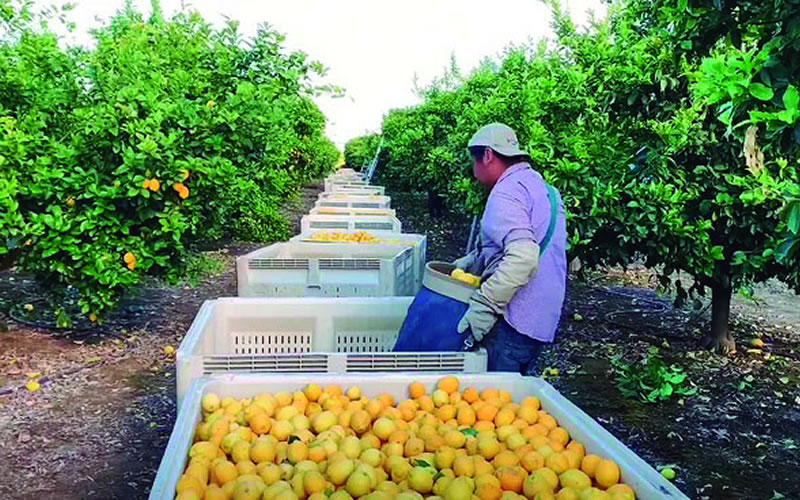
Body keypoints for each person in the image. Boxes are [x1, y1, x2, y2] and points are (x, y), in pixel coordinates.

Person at [454, 123, 567, 374]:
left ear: (488, 155)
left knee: (491, 405)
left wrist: (485, 305)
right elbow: (532, 242)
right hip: (541, 319)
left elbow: (523, 258)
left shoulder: (505, 193)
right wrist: (476, 260)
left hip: (513, 319)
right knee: (514, 402)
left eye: (474, 160)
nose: (473, 170)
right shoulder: (546, 190)